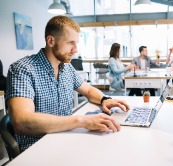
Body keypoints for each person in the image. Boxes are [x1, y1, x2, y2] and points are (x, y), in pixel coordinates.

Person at [6, 16, 130, 152]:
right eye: (71, 43)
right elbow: (22, 122)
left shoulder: (66, 68)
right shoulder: (22, 69)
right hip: (37, 149)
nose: (75, 49)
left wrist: (104, 99)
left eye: (76, 43)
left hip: (66, 139)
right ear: (51, 41)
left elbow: (88, 90)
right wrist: (82, 121)